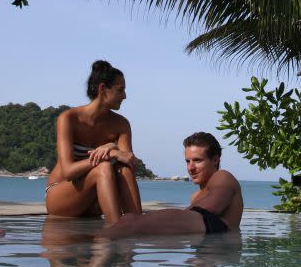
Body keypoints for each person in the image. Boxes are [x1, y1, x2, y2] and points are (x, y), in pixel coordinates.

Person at [45, 60, 143, 224]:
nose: (125, 96)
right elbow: (68, 171)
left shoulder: (121, 124)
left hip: (94, 200)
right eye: (121, 90)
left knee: (124, 169)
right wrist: (109, 154)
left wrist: (110, 147)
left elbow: (129, 162)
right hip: (61, 195)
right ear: (103, 89)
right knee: (103, 167)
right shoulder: (69, 118)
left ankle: (137, 225)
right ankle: (116, 229)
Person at [103, 132, 242, 236]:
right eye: (188, 161)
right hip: (204, 244)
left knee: (129, 224)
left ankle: (89, 244)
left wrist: (150, 218)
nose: (190, 168)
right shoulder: (196, 196)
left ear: (215, 160)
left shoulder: (223, 176)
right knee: (128, 220)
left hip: (217, 235)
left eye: (197, 160)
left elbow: (211, 207)